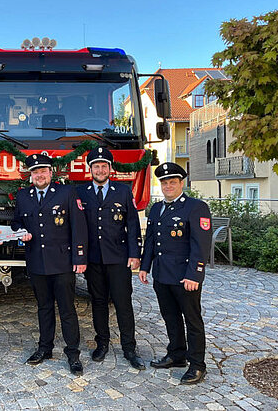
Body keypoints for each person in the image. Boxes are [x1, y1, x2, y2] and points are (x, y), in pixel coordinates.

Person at [11, 154, 88, 375]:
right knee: (43, 308)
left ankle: (73, 354)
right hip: (37, 262)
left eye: (43, 171)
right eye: (35, 172)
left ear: (51, 173)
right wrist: (20, 233)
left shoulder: (66, 193)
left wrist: (80, 259)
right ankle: (45, 348)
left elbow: (78, 227)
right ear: (31, 175)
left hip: (63, 262)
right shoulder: (24, 196)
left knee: (67, 310)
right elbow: (17, 222)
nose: (39, 175)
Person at [139, 162, 212, 385]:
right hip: (162, 275)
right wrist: (144, 266)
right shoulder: (157, 208)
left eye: (172, 182)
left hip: (184, 277)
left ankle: (197, 365)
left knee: (192, 320)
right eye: (164, 182)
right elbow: (150, 240)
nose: (168, 186)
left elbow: (201, 245)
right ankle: (177, 354)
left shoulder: (195, 207)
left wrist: (195, 275)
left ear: (182, 183)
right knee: (170, 317)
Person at [76, 147, 146, 370]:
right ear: (90, 169)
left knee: (123, 303)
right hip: (94, 259)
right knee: (98, 302)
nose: (100, 169)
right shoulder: (81, 192)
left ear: (110, 168)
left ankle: (129, 348)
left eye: (104, 166)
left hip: (118, 258)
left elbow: (133, 224)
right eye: (96, 166)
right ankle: (102, 343)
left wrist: (135, 254)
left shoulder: (123, 191)